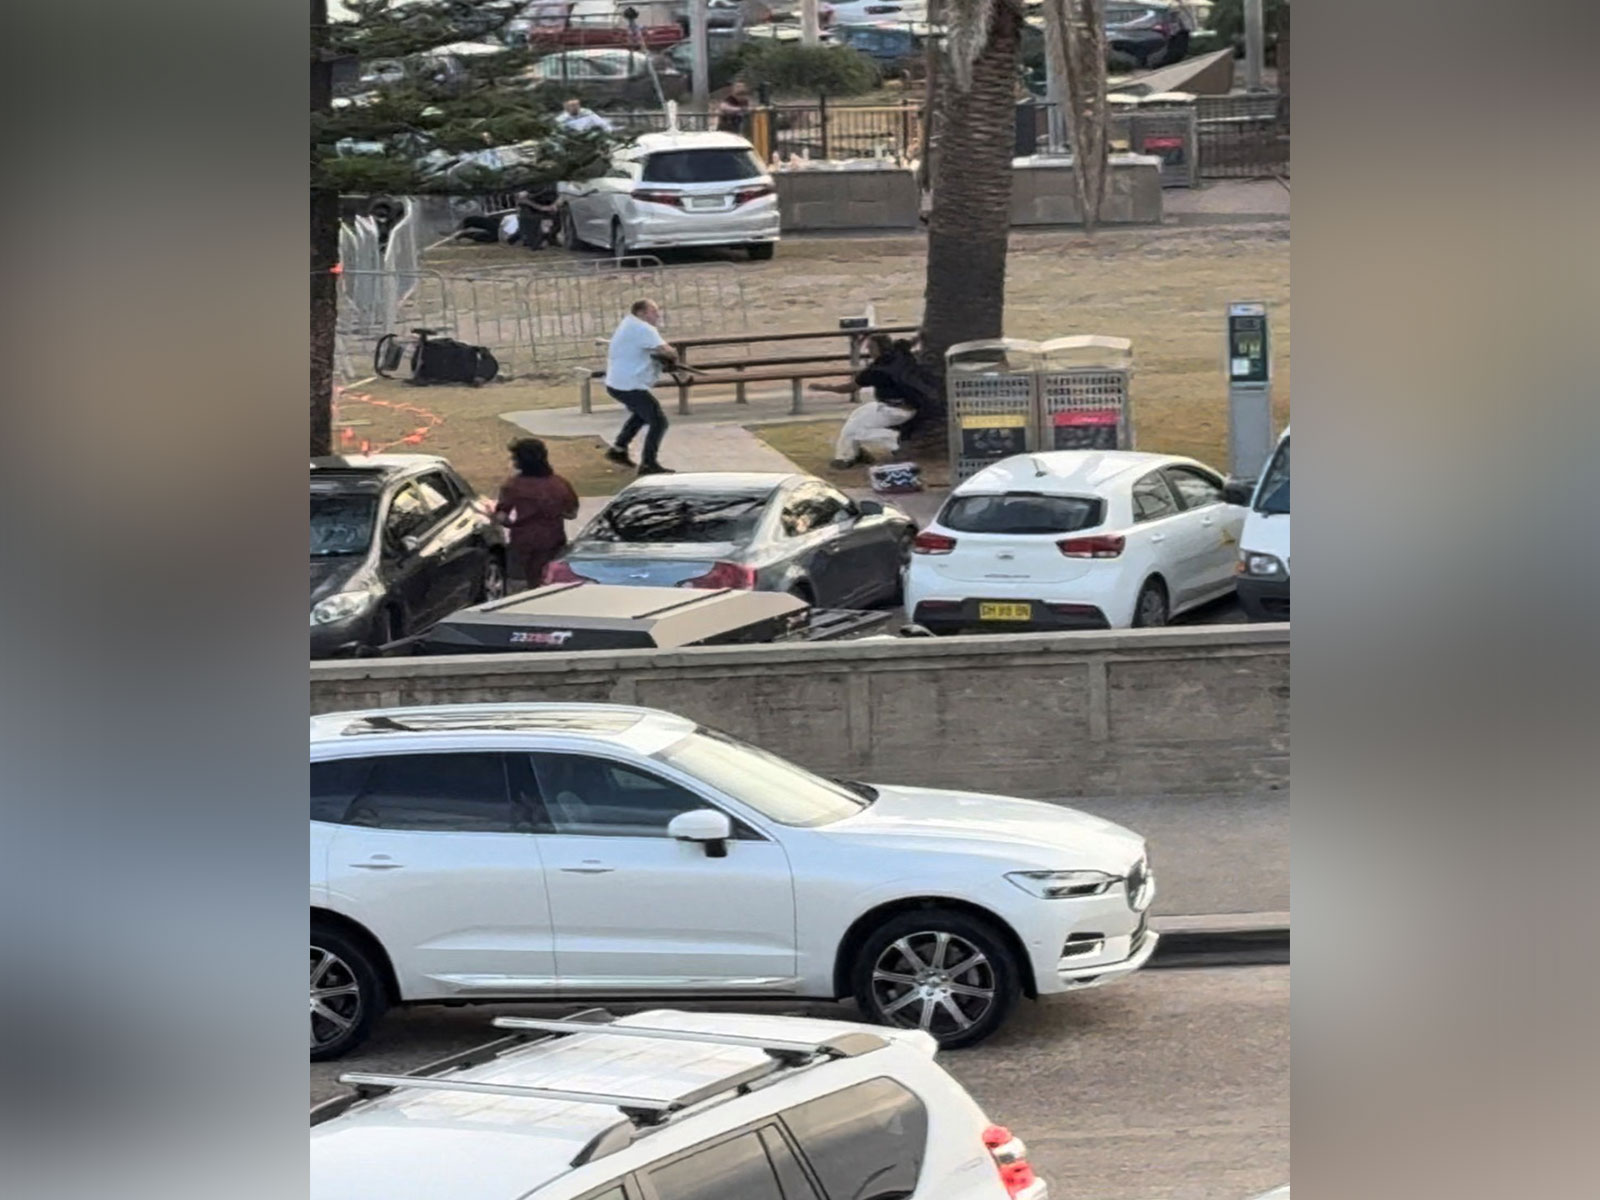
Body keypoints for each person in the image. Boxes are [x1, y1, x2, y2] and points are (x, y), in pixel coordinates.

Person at [809, 334, 937, 468]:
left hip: (893, 410)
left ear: (879, 348)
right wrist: (922, 334)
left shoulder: (876, 370)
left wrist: (824, 387)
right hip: (910, 405)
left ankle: (893, 441)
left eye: (871, 347)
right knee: (856, 416)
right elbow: (912, 341)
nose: (869, 351)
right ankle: (851, 454)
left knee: (854, 430)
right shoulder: (900, 351)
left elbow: (850, 388)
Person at [603, 298, 677, 477]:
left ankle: (618, 449)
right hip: (628, 384)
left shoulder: (629, 323)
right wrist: (671, 357)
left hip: (617, 382)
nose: (657, 315)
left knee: (641, 414)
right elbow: (668, 351)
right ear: (641, 313)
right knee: (659, 422)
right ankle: (648, 464)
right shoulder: (643, 328)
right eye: (654, 312)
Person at [494, 437, 581, 588]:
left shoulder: (513, 485)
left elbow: (502, 515)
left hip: (523, 541)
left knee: (527, 583)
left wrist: (511, 524)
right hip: (553, 540)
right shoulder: (560, 484)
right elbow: (572, 513)